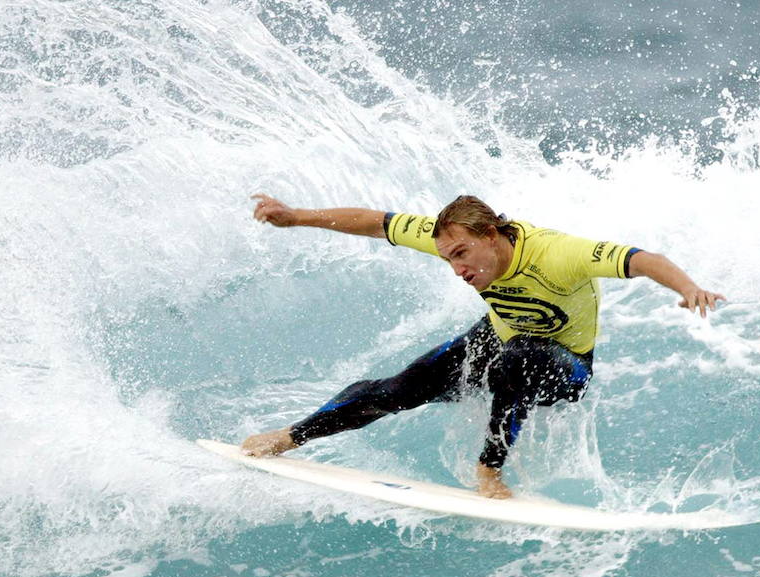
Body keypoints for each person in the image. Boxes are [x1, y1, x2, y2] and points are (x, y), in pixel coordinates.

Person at [240, 193, 725, 499]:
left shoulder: (557, 254)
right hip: (499, 337)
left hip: (566, 365)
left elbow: (643, 259)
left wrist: (687, 288)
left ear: (491, 236)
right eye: (449, 257)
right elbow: (373, 221)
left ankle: (489, 471)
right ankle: (291, 436)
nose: (456, 269)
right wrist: (296, 216)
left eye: (462, 256)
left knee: (520, 359)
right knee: (399, 388)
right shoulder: (452, 236)